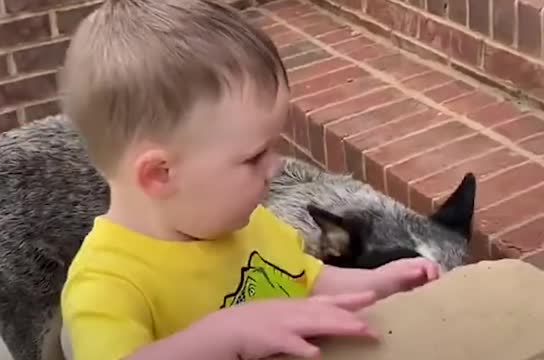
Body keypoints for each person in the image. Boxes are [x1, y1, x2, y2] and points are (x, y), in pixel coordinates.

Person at [58, 1, 441, 359]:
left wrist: (379, 283)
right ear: (160, 175)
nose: (276, 167)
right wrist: (226, 335)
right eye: (254, 156)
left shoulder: (249, 225)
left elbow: (309, 281)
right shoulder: (107, 283)